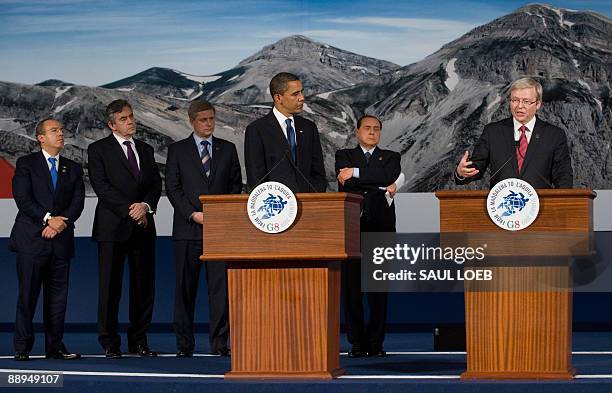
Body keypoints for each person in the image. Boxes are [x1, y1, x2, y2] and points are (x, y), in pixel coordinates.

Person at [165, 100, 242, 357]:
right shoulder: (177, 150)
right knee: (185, 290)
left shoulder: (228, 149)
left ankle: (220, 344)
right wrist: (192, 214)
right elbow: (173, 189)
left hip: (220, 232)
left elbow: (234, 186)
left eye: (211, 119)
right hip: (188, 231)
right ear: (192, 121)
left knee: (220, 291)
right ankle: (184, 345)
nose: (208, 124)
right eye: (203, 120)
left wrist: (220, 214)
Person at [88, 99, 162, 358]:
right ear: (111, 125)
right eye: (123, 119)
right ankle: (109, 342)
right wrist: (132, 210)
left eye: (131, 117)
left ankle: (139, 341)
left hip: (143, 226)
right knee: (110, 288)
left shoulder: (146, 148)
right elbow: (102, 187)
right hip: (112, 229)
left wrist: (145, 206)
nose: (130, 121)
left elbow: (155, 185)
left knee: (143, 287)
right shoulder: (98, 150)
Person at [10, 118, 85, 361]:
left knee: (57, 300)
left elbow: (77, 202)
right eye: (54, 131)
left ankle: (55, 346)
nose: (61, 134)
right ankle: (22, 347)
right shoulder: (26, 164)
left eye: (62, 130)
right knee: (28, 295)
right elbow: (23, 199)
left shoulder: (72, 168)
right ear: (41, 137)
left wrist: (60, 223)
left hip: (60, 241)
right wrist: (48, 219)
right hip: (32, 240)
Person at [335, 115, 401, 358]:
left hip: (381, 230)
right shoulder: (343, 156)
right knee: (351, 290)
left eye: (376, 129)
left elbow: (388, 177)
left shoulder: (392, 157)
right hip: (351, 228)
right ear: (357, 131)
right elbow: (347, 184)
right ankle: (356, 343)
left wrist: (356, 173)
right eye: (367, 128)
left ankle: (375, 343)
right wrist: (378, 183)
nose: (372, 132)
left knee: (378, 290)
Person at [455, 77, 573, 188]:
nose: (519, 106)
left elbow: (563, 176)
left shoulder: (554, 135)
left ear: (538, 104)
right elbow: (476, 168)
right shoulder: (493, 132)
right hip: (501, 205)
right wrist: (462, 173)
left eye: (526, 101)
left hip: (541, 205)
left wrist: (562, 203)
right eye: (515, 100)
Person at [244, 72, 326, 192]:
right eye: (295, 94)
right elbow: (256, 177)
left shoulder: (309, 127)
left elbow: (318, 173)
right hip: (277, 205)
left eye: (301, 92)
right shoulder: (257, 130)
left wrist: (315, 197)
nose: (302, 98)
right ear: (278, 98)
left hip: (309, 204)